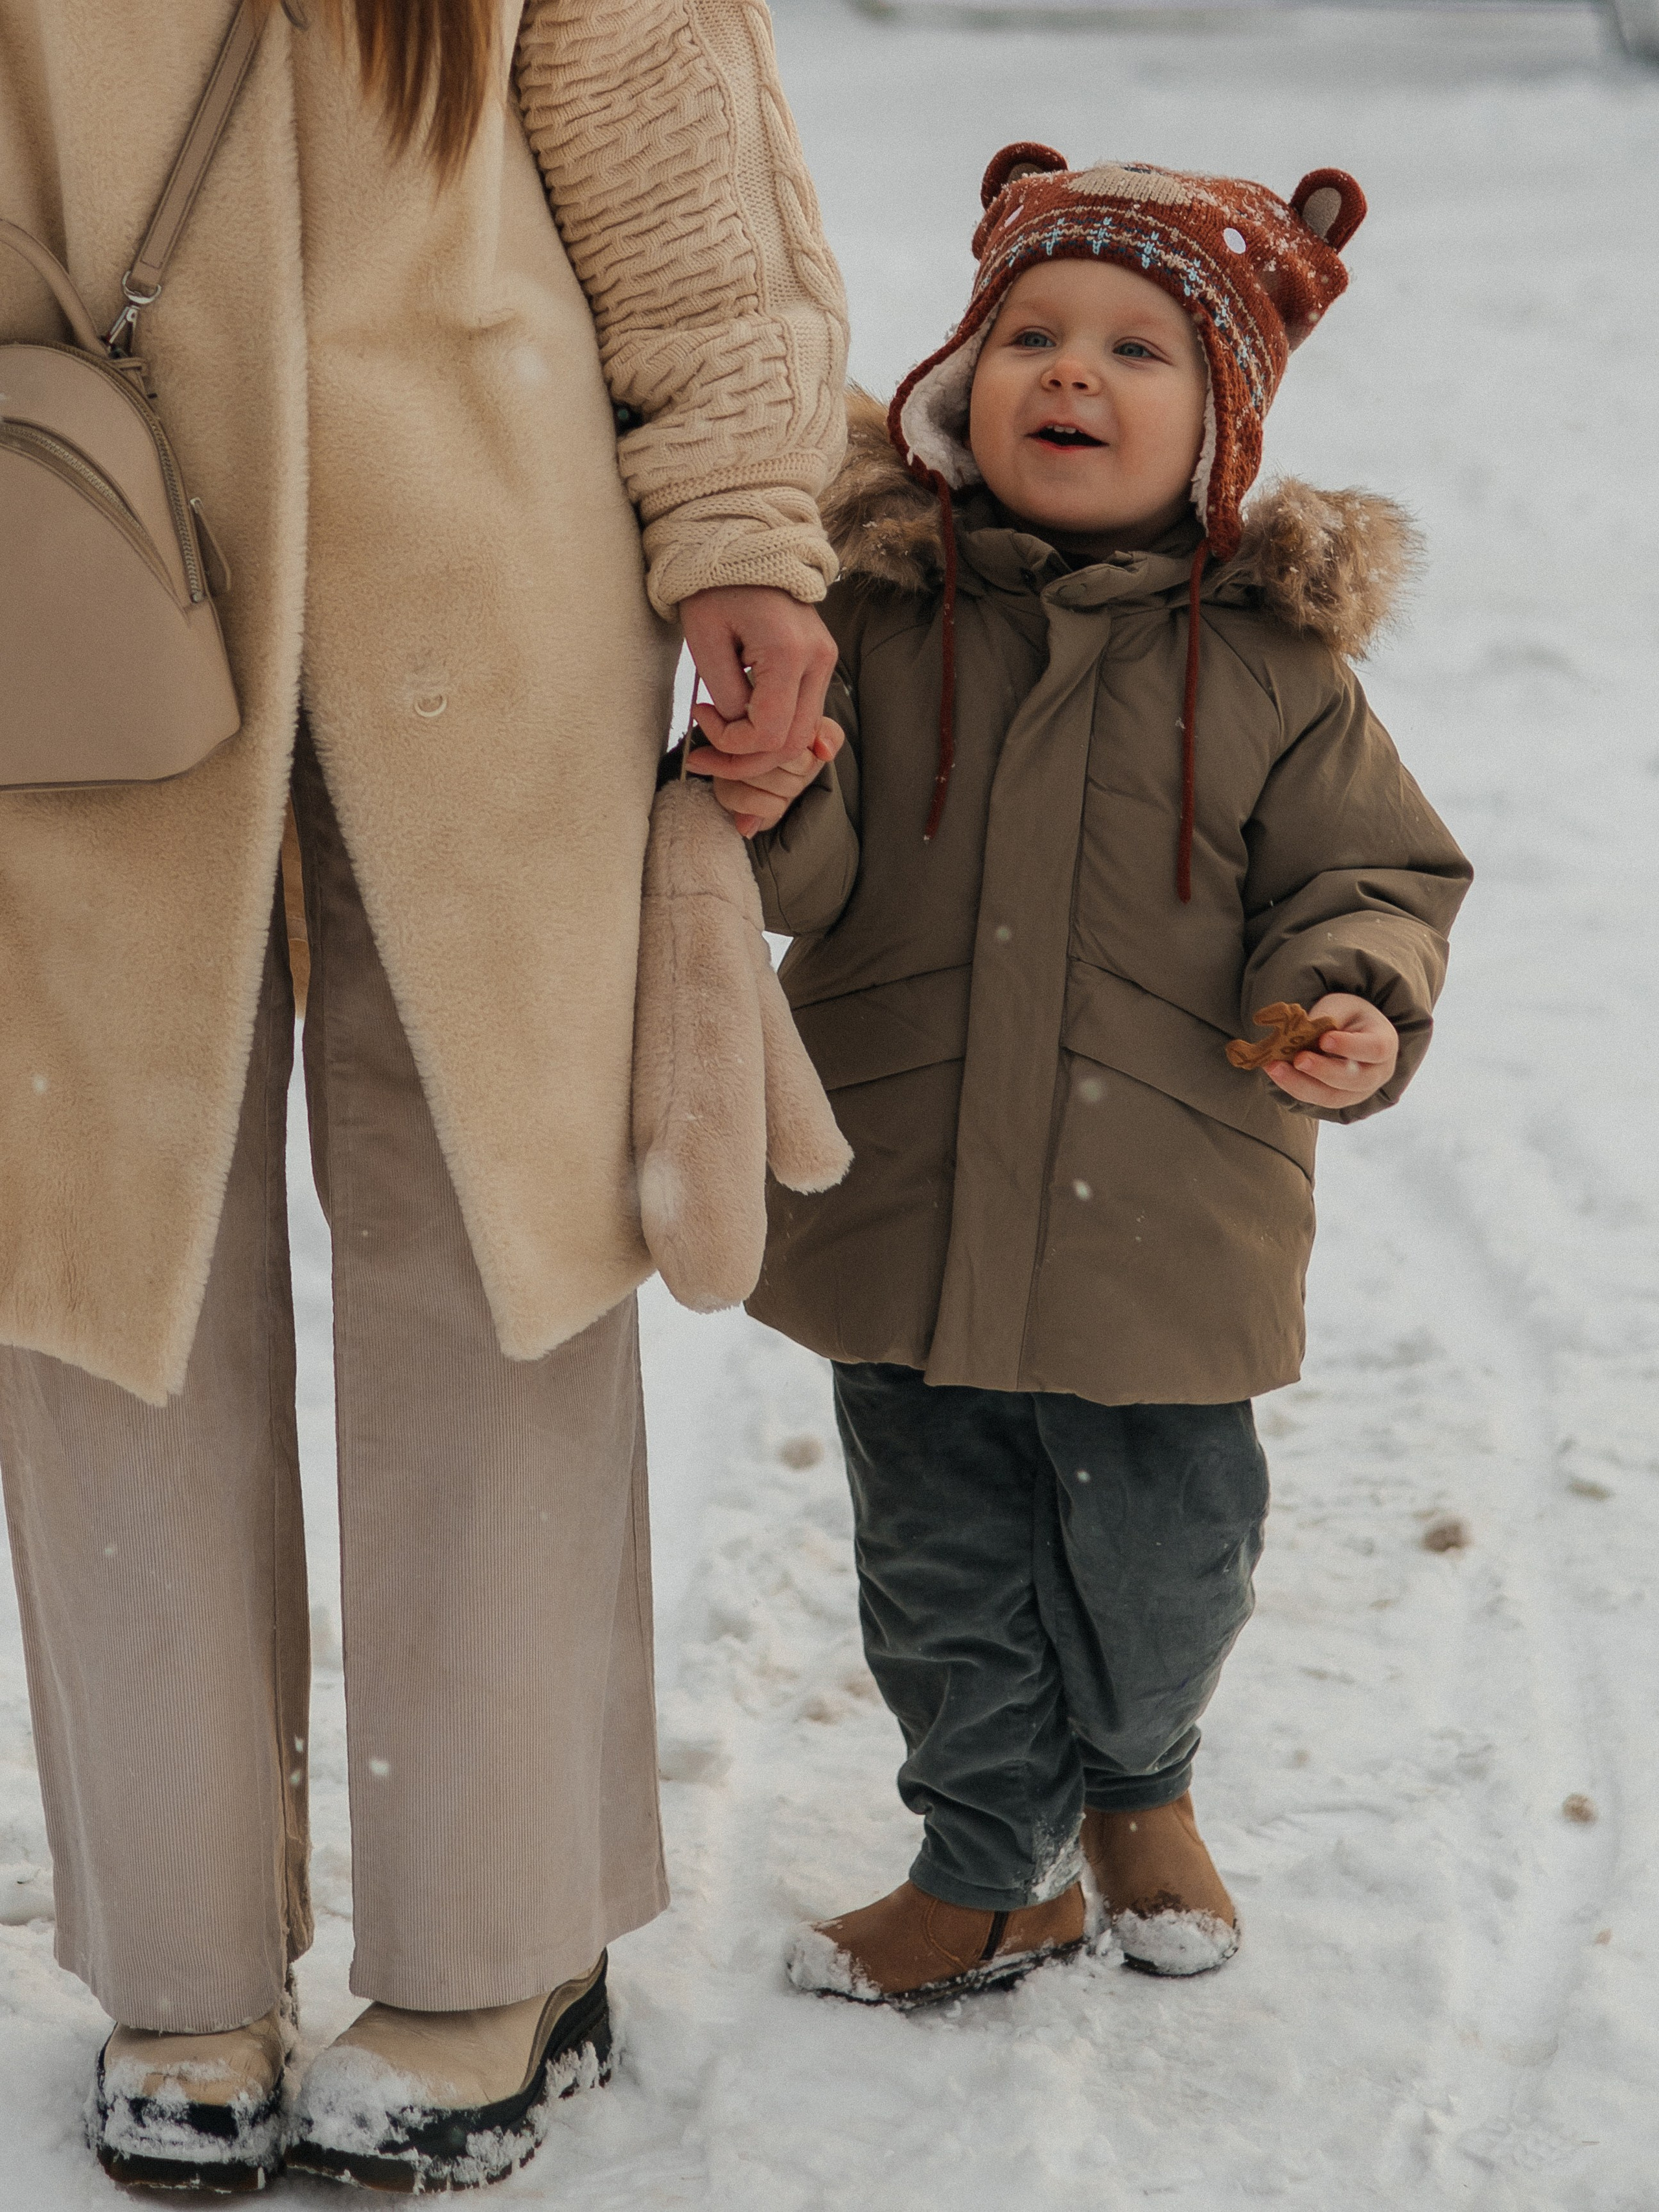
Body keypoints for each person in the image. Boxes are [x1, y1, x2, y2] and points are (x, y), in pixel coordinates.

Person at [0, 0, 845, 2189]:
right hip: (60, 550)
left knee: (495, 1226)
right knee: (102, 1248)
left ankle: (505, 1934)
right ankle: (177, 1954)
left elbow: (679, 173)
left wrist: (744, 524)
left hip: (486, 579)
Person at [689, 146, 1472, 2008]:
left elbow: (1374, 876)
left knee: (1168, 1548)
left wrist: (1347, 994)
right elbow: (804, 884)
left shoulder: (1278, 665)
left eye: (1138, 347)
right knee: (943, 1562)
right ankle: (984, 1861)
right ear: (965, 379)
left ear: (1221, 418)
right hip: (909, 1186)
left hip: (1169, 1207)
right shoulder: (879, 619)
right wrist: (767, 799)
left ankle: (1138, 1789)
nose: (1072, 373)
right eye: (1032, 333)